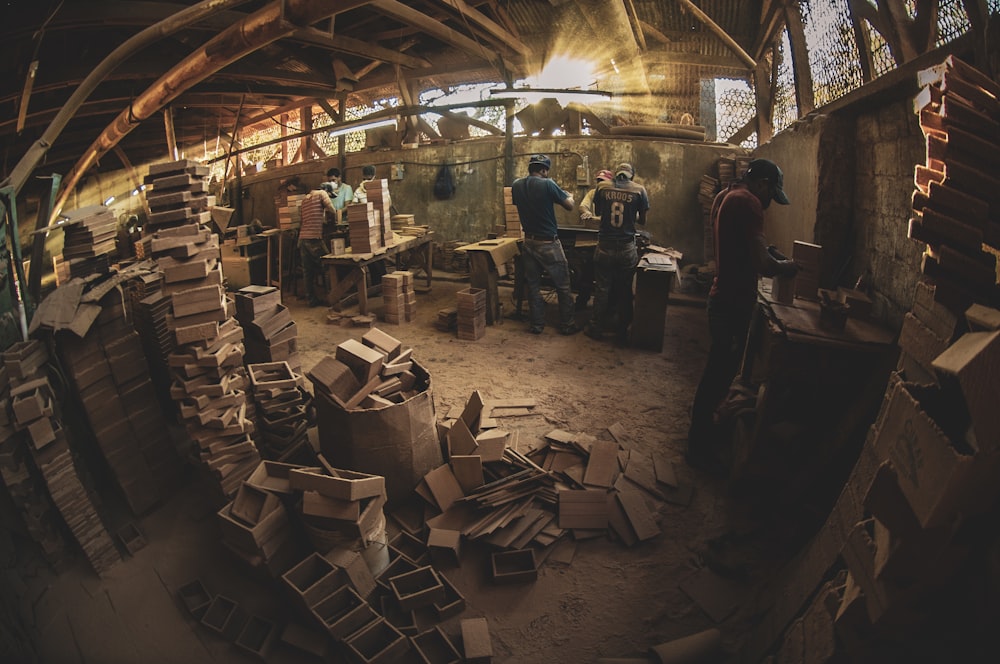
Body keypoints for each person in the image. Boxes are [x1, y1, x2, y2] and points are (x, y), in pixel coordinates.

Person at [685, 158, 800, 475]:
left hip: (721, 298)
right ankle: (698, 449)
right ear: (762, 184)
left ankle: (702, 431)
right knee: (718, 377)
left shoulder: (728, 194)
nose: (769, 203)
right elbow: (763, 264)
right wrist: (788, 267)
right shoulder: (749, 203)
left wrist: (769, 250)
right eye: (770, 194)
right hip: (732, 304)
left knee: (717, 374)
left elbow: (746, 246)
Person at [511, 154, 580, 335]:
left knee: (533, 285)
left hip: (529, 242)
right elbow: (569, 206)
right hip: (548, 243)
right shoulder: (548, 184)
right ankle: (567, 324)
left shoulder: (517, 185)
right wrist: (569, 195)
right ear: (544, 170)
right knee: (563, 285)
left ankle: (537, 325)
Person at [584, 163, 648, 346]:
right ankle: (622, 332)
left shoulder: (602, 187)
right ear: (631, 176)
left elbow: (599, 212)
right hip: (626, 248)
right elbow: (642, 220)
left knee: (602, 289)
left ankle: (596, 328)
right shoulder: (639, 190)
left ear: (616, 174)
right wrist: (631, 214)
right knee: (625, 290)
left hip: (604, 246)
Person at [297, 183, 338, 307]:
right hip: (314, 238)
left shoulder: (305, 199)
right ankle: (332, 298)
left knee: (307, 271)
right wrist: (337, 216)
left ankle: (311, 300)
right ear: (326, 190)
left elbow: (304, 218)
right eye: (330, 195)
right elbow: (332, 209)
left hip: (303, 239)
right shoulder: (322, 193)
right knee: (328, 265)